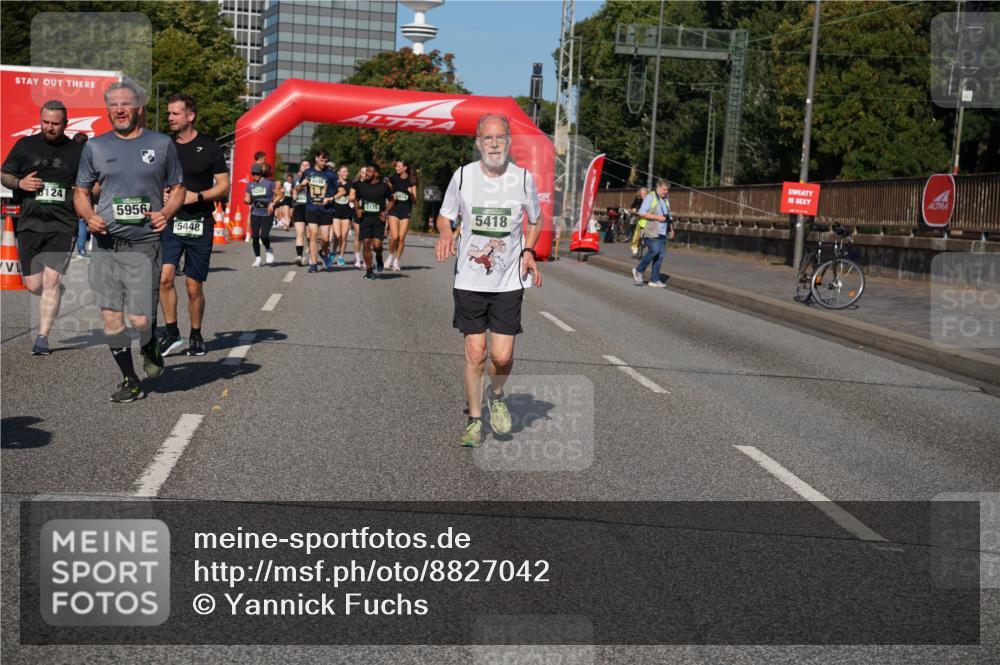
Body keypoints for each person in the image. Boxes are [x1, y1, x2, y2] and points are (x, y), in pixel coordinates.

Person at [434, 114, 542, 447]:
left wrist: (528, 250)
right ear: (478, 143)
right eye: (487, 138)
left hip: (508, 282)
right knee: (476, 352)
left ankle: (496, 395)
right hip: (469, 280)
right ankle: (474, 419)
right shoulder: (463, 176)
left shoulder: (523, 179)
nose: (494, 144)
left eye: (500, 138)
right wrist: (444, 234)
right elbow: (445, 216)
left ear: (509, 141)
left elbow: (535, 221)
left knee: (502, 357)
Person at [74, 80, 185, 402]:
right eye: (113, 105)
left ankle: (149, 344)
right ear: (108, 109)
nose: (119, 110)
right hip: (106, 245)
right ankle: (129, 379)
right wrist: (88, 215)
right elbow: (81, 192)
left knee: (139, 319)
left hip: (144, 244)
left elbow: (177, 186)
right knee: (111, 316)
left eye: (125, 104)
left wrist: (166, 211)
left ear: (138, 108)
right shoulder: (95, 147)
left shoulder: (162, 144)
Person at [1, 100, 85, 356]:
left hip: (62, 224)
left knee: (50, 280)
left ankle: (42, 337)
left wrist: (83, 191)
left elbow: (92, 182)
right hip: (30, 222)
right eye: (45, 122)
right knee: (34, 285)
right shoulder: (26, 145)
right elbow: (4, 174)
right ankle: (54, 292)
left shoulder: (77, 151)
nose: (50, 127)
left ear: (65, 124)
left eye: (55, 124)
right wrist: (20, 183)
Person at [158, 93, 230, 357]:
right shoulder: (164, 145)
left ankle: (196, 334)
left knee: (192, 286)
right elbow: (154, 177)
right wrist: (162, 195)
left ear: (190, 116)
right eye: (168, 113)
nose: (170, 118)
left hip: (200, 221)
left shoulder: (210, 146)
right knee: (164, 277)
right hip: (172, 220)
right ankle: (172, 333)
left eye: (175, 113)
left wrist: (196, 196)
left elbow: (224, 187)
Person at [295, 150, 337, 273]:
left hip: (326, 209)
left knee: (324, 239)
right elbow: (297, 189)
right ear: (316, 159)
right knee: (313, 235)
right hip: (311, 208)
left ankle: (323, 252)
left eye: (326, 160)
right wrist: (302, 185)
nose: (324, 163)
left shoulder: (330, 174)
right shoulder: (308, 172)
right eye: (322, 160)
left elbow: (341, 191)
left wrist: (331, 198)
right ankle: (313, 264)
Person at [351, 163, 393, 281]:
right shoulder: (360, 185)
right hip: (365, 219)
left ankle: (379, 256)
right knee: (366, 243)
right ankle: (369, 271)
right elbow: (355, 199)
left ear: (376, 174)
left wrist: (385, 212)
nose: (366, 173)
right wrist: (358, 208)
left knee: (377, 245)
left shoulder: (384, 186)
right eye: (366, 171)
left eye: (369, 171)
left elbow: (392, 200)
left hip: (378, 220)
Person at [631, 179, 674, 288]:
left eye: (667, 190)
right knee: (654, 250)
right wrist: (657, 217)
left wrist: (671, 229)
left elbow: (668, 215)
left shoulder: (666, 199)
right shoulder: (651, 197)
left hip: (663, 230)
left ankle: (654, 280)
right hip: (650, 229)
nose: (666, 192)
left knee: (660, 255)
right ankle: (638, 270)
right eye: (664, 189)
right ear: (658, 187)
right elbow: (641, 212)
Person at [244, 163, 280, 266]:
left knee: (264, 236)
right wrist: (247, 200)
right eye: (253, 173)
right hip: (255, 213)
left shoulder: (269, 183)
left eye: (257, 173)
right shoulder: (250, 185)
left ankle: (269, 249)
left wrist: (272, 204)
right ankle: (258, 258)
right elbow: (246, 197)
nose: (255, 175)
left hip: (267, 213)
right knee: (255, 236)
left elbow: (279, 194)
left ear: (261, 173)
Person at [386, 159, 417, 272]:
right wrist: (390, 195)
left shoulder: (411, 180)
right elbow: (387, 189)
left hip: (405, 211)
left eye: (398, 166)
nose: (396, 168)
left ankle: (396, 261)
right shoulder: (393, 178)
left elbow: (415, 201)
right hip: (394, 210)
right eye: (396, 166)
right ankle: (390, 256)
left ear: (405, 168)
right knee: (394, 237)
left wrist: (411, 193)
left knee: (401, 238)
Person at [72, 132, 93, 260]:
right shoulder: (87, 155)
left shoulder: (69, 153)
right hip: (82, 190)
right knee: (82, 221)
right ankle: (81, 250)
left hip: (69, 190)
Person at [330, 164, 352, 267]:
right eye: (343, 171)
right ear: (338, 173)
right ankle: (333, 252)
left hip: (346, 212)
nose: (346, 173)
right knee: (337, 236)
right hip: (336, 212)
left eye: (346, 171)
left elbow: (352, 196)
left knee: (344, 236)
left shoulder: (350, 184)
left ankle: (341, 257)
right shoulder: (334, 183)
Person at [348, 166, 368, 269]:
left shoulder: (372, 184)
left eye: (367, 172)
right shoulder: (356, 184)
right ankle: (357, 258)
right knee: (359, 235)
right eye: (363, 172)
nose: (365, 174)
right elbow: (350, 198)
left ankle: (366, 259)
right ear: (360, 173)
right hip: (358, 211)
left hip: (369, 213)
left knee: (367, 238)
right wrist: (356, 200)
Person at [291, 160, 309, 264]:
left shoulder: (314, 179)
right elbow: (293, 190)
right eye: (303, 165)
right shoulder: (296, 179)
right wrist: (294, 192)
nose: (305, 166)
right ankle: (299, 256)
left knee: (310, 234)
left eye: (307, 165)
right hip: (299, 206)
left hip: (310, 207)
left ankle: (312, 254)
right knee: (300, 233)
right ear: (300, 168)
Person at [628, 186, 648, 256]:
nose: (642, 195)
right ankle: (635, 247)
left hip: (648, 220)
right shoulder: (638, 199)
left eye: (644, 194)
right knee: (637, 234)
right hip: (640, 218)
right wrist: (633, 210)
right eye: (641, 194)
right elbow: (632, 206)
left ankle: (645, 244)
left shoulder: (649, 200)